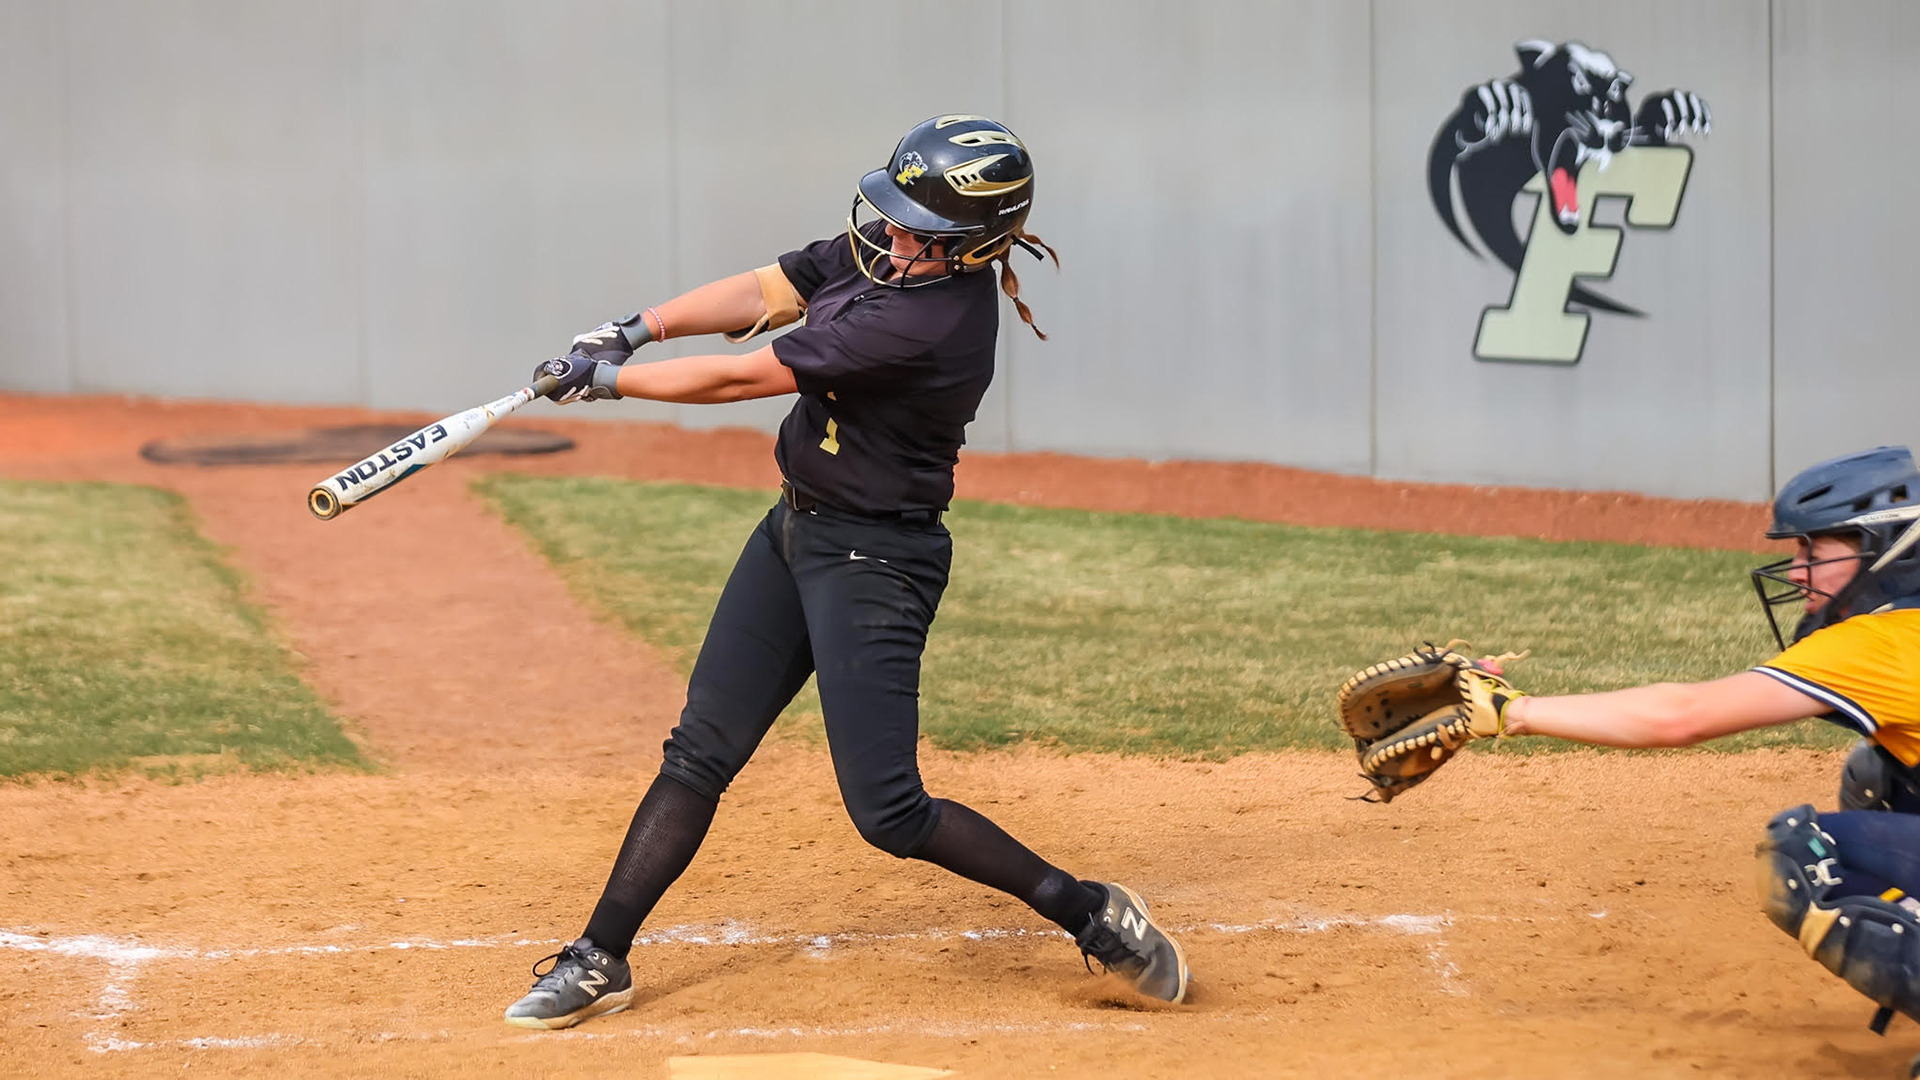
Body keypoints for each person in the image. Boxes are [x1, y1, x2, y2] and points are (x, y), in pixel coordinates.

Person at [500, 115, 1190, 1030]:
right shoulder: (897, 258)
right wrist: (635, 329)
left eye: (918, 231)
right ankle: (600, 956)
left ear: (973, 244)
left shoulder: (926, 319)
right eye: (895, 216)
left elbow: (744, 379)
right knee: (700, 750)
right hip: (795, 531)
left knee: (890, 812)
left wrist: (608, 382)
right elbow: (773, 284)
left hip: (875, 559)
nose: (891, 236)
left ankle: (1092, 912)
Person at [1427, 445, 1920, 1029]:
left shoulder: (1887, 641)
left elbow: (1683, 714)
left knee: (1804, 855)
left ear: (1883, 547)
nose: (1795, 571)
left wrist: (1513, 709)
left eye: (1813, 547)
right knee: (1878, 775)